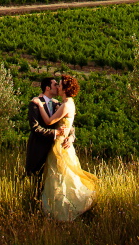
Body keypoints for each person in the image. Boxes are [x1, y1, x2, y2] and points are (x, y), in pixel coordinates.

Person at [33, 73, 98, 221]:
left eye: (60, 84)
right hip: (63, 143)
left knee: (60, 177)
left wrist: (39, 105)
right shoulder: (68, 103)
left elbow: (49, 122)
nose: (58, 86)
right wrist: (71, 136)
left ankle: (61, 211)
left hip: (60, 146)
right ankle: (58, 209)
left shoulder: (66, 104)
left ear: (65, 89)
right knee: (62, 177)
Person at [25, 77, 68, 200]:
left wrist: (71, 137)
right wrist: (55, 133)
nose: (58, 87)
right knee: (35, 180)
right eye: (55, 85)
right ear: (48, 88)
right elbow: (35, 128)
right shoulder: (35, 103)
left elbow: (68, 124)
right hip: (38, 149)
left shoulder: (58, 104)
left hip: (54, 150)